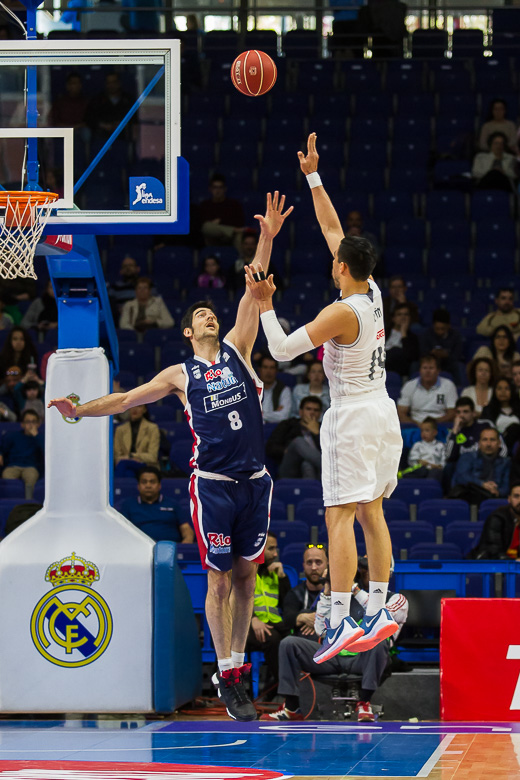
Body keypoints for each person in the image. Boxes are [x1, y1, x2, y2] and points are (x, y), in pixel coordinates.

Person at [48, 191, 293, 722]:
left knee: (249, 575)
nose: (209, 315)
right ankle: (226, 672)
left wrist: (268, 235)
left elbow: (254, 290)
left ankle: (235, 669)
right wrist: (80, 408)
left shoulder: (237, 348)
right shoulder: (178, 375)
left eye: (210, 312)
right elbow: (126, 399)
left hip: (256, 480)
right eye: (200, 315)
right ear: (188, 331)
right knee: (220, 579)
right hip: (213, 485)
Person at [246, 133, 402, 664]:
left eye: (336, 257)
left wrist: (265, 303)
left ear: (341, 267)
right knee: (373, 513)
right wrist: (313, 175)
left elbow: (283, 349)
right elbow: (332, 227)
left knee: (338, 516)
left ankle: (336, 619)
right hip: (384, 411)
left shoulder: (341, 313)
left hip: (354, 414)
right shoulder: (373, 290)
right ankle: (377, 608)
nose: (332, 254)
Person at [262, 556, 408, 722]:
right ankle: (292, 707)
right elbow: (320, 629)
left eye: (375, 569)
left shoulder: (397, 600)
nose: (368, 572)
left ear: (388, 574)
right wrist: (327, 589)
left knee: (378, 640)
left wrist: (352, 587)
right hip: (333, 656)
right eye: (365, 568)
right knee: (289, 644)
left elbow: (381, 616)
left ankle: (364, 702)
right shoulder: (345, 599)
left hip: (363, 659)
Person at [245, 532, 292, 694]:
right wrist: (252, 619)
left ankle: (277, 691)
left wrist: (283, 577)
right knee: (273, 640)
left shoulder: (274, 573)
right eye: (271, 549)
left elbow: (288, 605)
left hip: (273, 625)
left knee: (291, 643)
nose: (276, 554)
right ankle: (285, 689)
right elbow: (233, 601)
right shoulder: (243, 571)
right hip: (246, 627)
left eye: (276, 549)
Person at [119, 466, 194, 543]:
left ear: (159, 485)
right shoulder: (128, 505)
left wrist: (183, 548)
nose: (148, 486)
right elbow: (122, 532)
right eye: (144, 482)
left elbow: (186, 529)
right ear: (138, 486)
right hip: (139, 549)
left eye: (152, 482)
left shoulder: (173, 504)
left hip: (169, 550)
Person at [450, 427, 510, 504]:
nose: (488, 444)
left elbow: (507, 485)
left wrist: (498, 492)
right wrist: (482, 484)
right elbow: (461, 477)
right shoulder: (467, 457)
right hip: (469, 497)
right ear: (479, 443)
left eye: (492, 440)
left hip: (494, 499)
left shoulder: (506, 462)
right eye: (485, 440)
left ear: (499, 443)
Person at [282, 543, 328, 640]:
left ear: (327, 564)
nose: (313, 567)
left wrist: (317, 621)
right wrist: (303, 617)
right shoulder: (295, 593)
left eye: (318, 562)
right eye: (309, 562)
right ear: (303, 565)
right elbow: (287, 619)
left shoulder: (336, 593)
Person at [397, 354, 458, 426]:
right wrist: (418, 425)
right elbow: (401, 413)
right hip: (416, 425)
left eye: (431, 368)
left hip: (439, 425)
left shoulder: (448, 385)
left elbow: (452, 412)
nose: (427, 371)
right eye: (424, 368)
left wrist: (430, 425)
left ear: (438, 371)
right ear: (420, 370)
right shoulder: (409, 385)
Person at [266, 396, 323, 471]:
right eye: (308, 409)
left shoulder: (324, 428)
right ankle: (327, 467)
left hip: (316, 470)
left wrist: (317, 434)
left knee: (307, 465)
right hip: (290, 468)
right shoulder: (287, 425)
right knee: (298, 441)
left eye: (316, 410)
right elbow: (270, 447)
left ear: (320, 414)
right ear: (301, 412)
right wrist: (288, 451)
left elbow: (331, 451)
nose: (312, 413)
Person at [445, 396, 507, 465]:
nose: (461, 415)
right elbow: (448, 456)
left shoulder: (485, 424)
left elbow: (502, 449)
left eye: (465, 412)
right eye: (458, 412)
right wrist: (455, 429)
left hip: (487, 465)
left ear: (473, 413)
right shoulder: (454, 431)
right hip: (464, 468)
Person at [0, 409, 44, 498]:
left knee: (31, 477)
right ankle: (12, 501)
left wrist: (36, 436)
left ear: (38, 424)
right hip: (13, 465)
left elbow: (46, 451)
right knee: (7, 475)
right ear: (22, 424)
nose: (31, 425)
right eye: (28, 422)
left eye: (34, 422)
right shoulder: (13, 436)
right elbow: (2, 446)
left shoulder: (41, 437)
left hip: (30, 467)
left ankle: (28, 503)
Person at [196, 173, 246, 251]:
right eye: (215, 187)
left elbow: (239, 223)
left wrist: (219, 223)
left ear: (225, 189)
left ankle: (242, 261)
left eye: (220, 187)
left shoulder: (233, 204)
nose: (218, 190)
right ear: (210, 189)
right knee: (206, 227)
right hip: (212, 237)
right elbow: (202, 225)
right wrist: (227, 226)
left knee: (239, 235)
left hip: (231, 237)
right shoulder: (205, 205)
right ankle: (232, 230)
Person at [470, 483, 520, 559]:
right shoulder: (497, 518)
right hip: (493, 565)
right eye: (516, 496)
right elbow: (494, 551)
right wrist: (515, 563)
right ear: (509, 499)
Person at [114, 403, 160, 476]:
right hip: (126, 466)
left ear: (144, 409)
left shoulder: (152, 428)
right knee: (129, 473)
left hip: (146, 465)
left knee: (123, 464)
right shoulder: (120, 430)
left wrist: (131, 456)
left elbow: (152, 457)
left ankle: (117, 487)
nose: (134, 409)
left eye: (139, 406)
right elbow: (117, 457)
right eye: (132, 406)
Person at [419, 309, 463, 384]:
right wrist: (432, 353)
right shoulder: (426, 334)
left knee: (458, 366)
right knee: (416, 365)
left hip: (448, 362)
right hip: (430, 362)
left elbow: (457, 355)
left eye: (443, 329)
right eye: (437, 329)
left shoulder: (456, 336)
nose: (440, 332)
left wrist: (446, 355)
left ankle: (458, 388)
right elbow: (422, 352)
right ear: (433, 326)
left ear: (449, 326)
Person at [481, 378, 520, 454]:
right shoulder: (488, 410)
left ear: (512, 391)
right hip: (496, 446)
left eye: (507, 388)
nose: (503, 392)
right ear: (494, 391)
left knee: (514, 428)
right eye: (499, 388)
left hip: (518, 447)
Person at [384, 302, 420, 378]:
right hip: (383, 362)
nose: (403, 317)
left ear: (409, 318)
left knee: (397, 351)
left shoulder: (412, 337)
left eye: (406, 314)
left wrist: (403, 333)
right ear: (393, 318)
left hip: (400, 367)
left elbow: (411, 357)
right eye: (399, 314)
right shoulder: (384, 332)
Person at [258, 355, 292, 424]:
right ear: (260, 370)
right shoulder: (252, 389)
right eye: (265, 367)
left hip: (275, 429)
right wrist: (274, 414)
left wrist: (260, 414)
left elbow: (284, 416)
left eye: (272, 368)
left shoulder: (284, 390)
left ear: (276, 371)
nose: (268, 371)